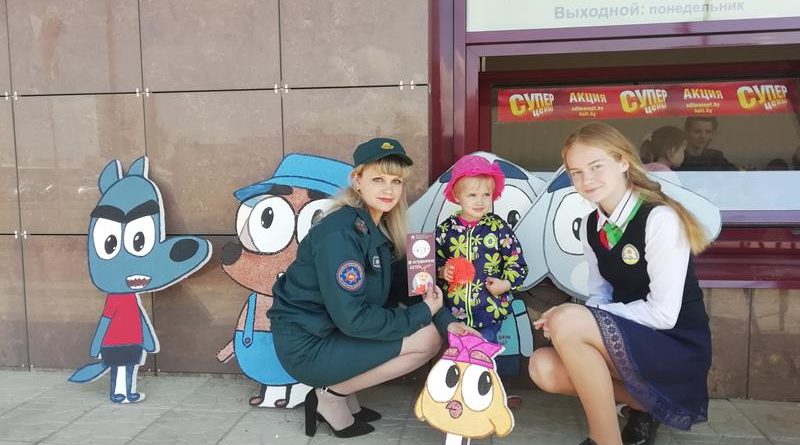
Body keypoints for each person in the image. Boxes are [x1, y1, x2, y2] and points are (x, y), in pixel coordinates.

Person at [529, 123, 713, 445]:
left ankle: (604, 440)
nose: (586, 180)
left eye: (596, 166)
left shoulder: (659, 219)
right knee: (541, 367)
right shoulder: (591, 226)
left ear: (623, 162)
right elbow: (601, 293)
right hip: (631, 339)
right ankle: (646, 407)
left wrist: (576, 319)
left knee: (569, 320)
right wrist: (573, 319)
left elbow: (664, 315)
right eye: (576, 172)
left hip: (674, 346)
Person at [268, 138, 456, 439]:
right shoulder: (340, 233)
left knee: (430, 330)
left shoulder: (377, 225)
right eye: (378, 179)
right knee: (428, 340)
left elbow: (402, 287)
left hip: (331, 332)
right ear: (357, 180)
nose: (388, 190)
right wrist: (424, 313)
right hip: (307, 346)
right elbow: (353, 319)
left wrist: (449, 323)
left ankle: (341, 393)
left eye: (396, 181)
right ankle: (330, 396)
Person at [435, 154, 529, 405]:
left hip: (488, 312)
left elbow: (518, 265)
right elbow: (431, 264)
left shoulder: (498, 228)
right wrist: (442, 272)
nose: (480, 201)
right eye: (472, 195)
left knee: (483, 354)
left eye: (486, 194)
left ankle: (489, 397)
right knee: (456, 356)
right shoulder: (446, 230)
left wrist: (505, 284)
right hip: (453, 313)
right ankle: (456, 398)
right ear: (457, 196)